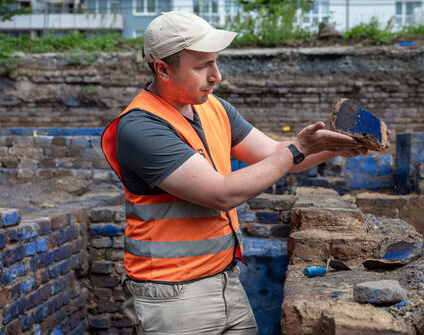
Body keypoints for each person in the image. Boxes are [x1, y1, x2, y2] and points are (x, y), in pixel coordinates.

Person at [101, 11, 374, 335]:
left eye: (215, 62)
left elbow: (276, 154)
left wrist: (338, 146)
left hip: (226, 280)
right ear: (162, 68)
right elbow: (221, 193)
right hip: (171, 296)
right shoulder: (141, 126)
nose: (217, 76)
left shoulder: (213, 107)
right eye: (202, 66)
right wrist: (300, 147)